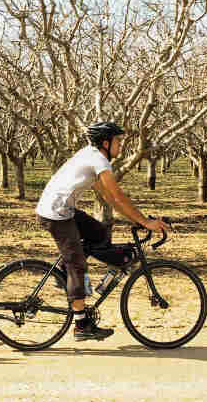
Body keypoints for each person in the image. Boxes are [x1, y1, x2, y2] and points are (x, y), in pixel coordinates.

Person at [35, 122, 169, 341]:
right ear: (105, 143)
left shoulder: (91, 156)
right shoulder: (98, 159)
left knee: (99, 233)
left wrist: (132, 218)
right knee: (78, 264)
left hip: (63, 210)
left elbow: (107, 196)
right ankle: (81, 325)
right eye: (118, 141)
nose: (121, 146)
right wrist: (144, 221)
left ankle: (67, 273)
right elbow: (116, 195)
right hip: (55, 214)